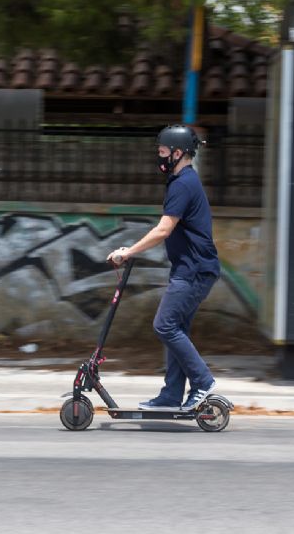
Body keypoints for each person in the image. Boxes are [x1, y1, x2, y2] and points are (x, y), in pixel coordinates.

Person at [106, 125, 221, 411]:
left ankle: (203, 382)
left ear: (177, 153)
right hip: (191, 268)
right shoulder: (184, 181)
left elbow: (163, 230)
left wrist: (128, 252)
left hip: (194, 270)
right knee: (175, 327)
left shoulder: (183, 183)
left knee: (164, 325)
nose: (159, 157)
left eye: (162, 152)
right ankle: (171, 395)